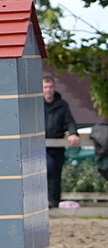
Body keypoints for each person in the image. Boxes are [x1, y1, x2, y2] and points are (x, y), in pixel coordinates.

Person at [43, 75, 80, 208]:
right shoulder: (37, 104)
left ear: (54, 88)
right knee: (49, 168)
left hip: (58, 146)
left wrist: (73, 133)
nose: (48, 90)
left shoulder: (62, 105)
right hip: (41, 147)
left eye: (50, 87)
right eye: (45, 87)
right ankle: (45, 201)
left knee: (56, 173)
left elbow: (69, 121)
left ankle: (54, 202)